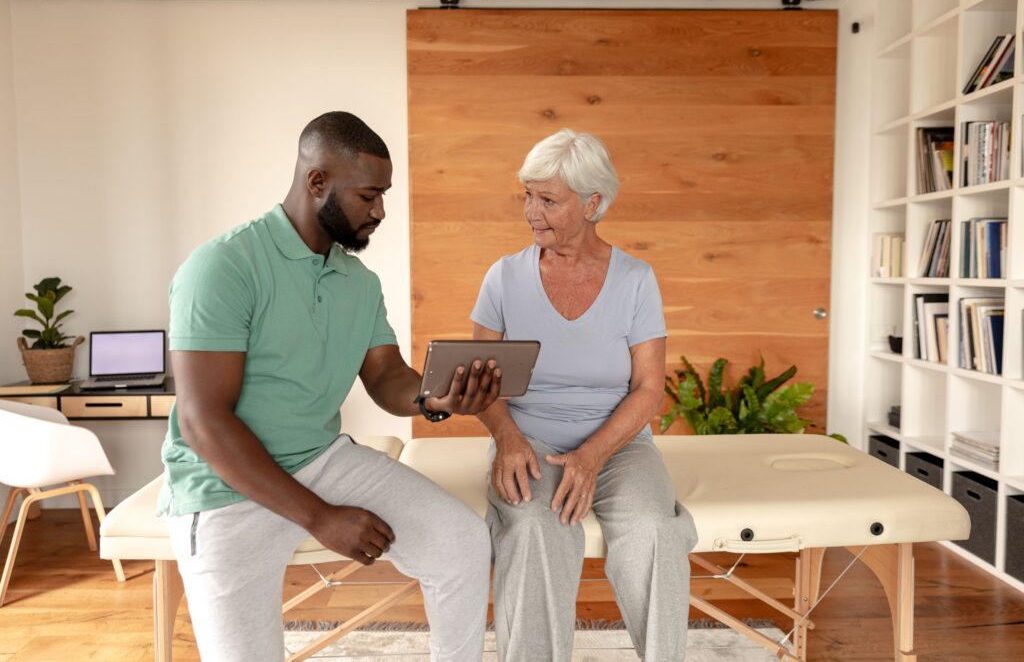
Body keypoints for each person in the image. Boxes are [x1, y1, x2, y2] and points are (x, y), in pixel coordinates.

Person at [158, 111, 500, 662]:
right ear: (317, 182)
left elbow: (387, 376)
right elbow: (204, 423)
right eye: (369, 195)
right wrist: (319, 517)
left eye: (383, 195)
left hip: (322, 458)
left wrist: (436, 399)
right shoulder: (223, 266)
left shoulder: (359, 282)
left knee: (461, 542)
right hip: (224, 485)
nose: (380, 211)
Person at [471, 129, 699, 661]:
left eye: (548, 199)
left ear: (594, 203)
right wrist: (506, 439)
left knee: (654, 532)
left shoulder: (636, 280)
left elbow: (648, 390)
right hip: (528, 438)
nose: (531, 211)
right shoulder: (503, 278)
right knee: (532, 530)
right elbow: (480, 384)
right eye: (527, 195)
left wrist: (591, 457)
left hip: (619, 445)